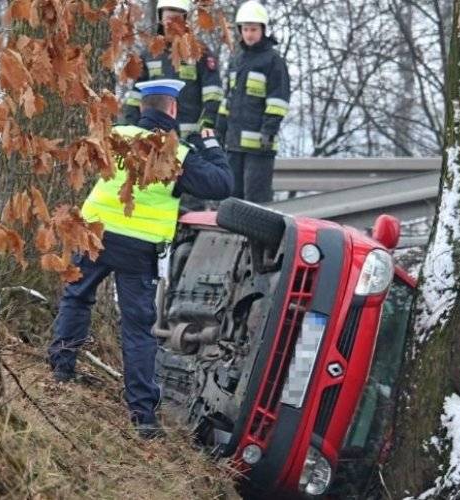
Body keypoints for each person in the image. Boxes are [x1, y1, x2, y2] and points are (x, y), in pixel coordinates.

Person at [49, 79, 232, 439]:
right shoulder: (176, 154)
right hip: (138, 249)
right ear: (174, 110)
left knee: (76, 297)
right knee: (137, 327)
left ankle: (61, 369)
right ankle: (143, 415)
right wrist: (211, 145)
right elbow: (222, 185)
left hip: (95, 234)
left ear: (143, 108)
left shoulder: (115, 134)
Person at [123, 0, 225, 213]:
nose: (172, 22)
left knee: (190, 207)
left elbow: (213, 96)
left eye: (178, 16)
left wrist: (204, 128)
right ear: (160, 16)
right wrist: (132, 131)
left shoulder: (200, 53)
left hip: (188, 144)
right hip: (154, 143)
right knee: (154, 197)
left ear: (186, 19)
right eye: (168, 16)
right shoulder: (149, 53)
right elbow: (134, 98)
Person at [216, 0, 290, 204]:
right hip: (234, 145)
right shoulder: (236, 60)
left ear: (263, 30)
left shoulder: (273, 61)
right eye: (246, 29)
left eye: (254, 29)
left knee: (256, 200)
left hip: (260, 147)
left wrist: (269, 131)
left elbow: (278, 101)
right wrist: (219, 130)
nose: (249, 34)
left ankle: (257, 238)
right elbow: (228, 100)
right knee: (232, 198)